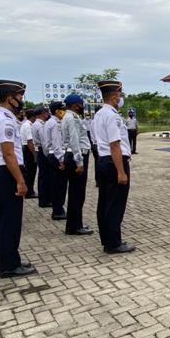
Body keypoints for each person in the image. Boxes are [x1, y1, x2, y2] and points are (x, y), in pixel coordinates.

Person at [0, 79, 35, 278]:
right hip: (7, 173)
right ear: (10, 98)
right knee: (9, 222)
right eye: (20, 97)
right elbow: (8, 154)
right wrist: (20, 180)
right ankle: (9, 266)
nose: (22, 100)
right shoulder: (5, 120)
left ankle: (10, 260)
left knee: (6, 220)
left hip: (2, 172)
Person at [92, 80, 134, 254]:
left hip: (103, 160)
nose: (121, 98)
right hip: (114, 162)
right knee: (115, 204)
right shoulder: (112, 116)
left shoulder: (99, 114)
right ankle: (113, 243)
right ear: (115, 97)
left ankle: (107, 240)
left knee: (104, 203)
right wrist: (121, 171)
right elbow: (115, 145)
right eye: (120, 95)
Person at [61, 93, 93, 236]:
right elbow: (74, 140)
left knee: (76, 192)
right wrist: (79, 162)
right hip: (76, 157)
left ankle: (74, 224)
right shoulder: (72, 118)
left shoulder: (67, 117)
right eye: (81, 105)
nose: (82, 107)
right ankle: (75, 227)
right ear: (75, 105)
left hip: (72, 155)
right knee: (77, 193)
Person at [44, 100, 68, 221]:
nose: (64, 112)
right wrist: (61, 160)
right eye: (63, 110)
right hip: (57, 156)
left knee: (56, 184)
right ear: (57, 111)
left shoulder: (51, 122)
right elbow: (56, 143)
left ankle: (58, 209)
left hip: (52, 155)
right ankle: (58, 211)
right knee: (59, 185)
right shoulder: (55, 124)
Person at [32, 106, 52, 208]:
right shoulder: (39, 125)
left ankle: (44, 199)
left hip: (40, 150)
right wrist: (47, 154)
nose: (47, 114)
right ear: (41, 114)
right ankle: (44, 200)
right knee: (45, 177)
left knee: (43, 176)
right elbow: (44, 142)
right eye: (46, 112)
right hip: (42, 151)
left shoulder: (37, 124)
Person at [20, 108, 38, 199]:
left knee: (30, 171)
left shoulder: (26, 124)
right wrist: (35, 155)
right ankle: (29, 192)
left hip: (27, 148)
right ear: (33, 117)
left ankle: (30, 190)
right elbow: (30, 142)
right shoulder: (28, 125)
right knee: (30, 172)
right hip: (29, 149)